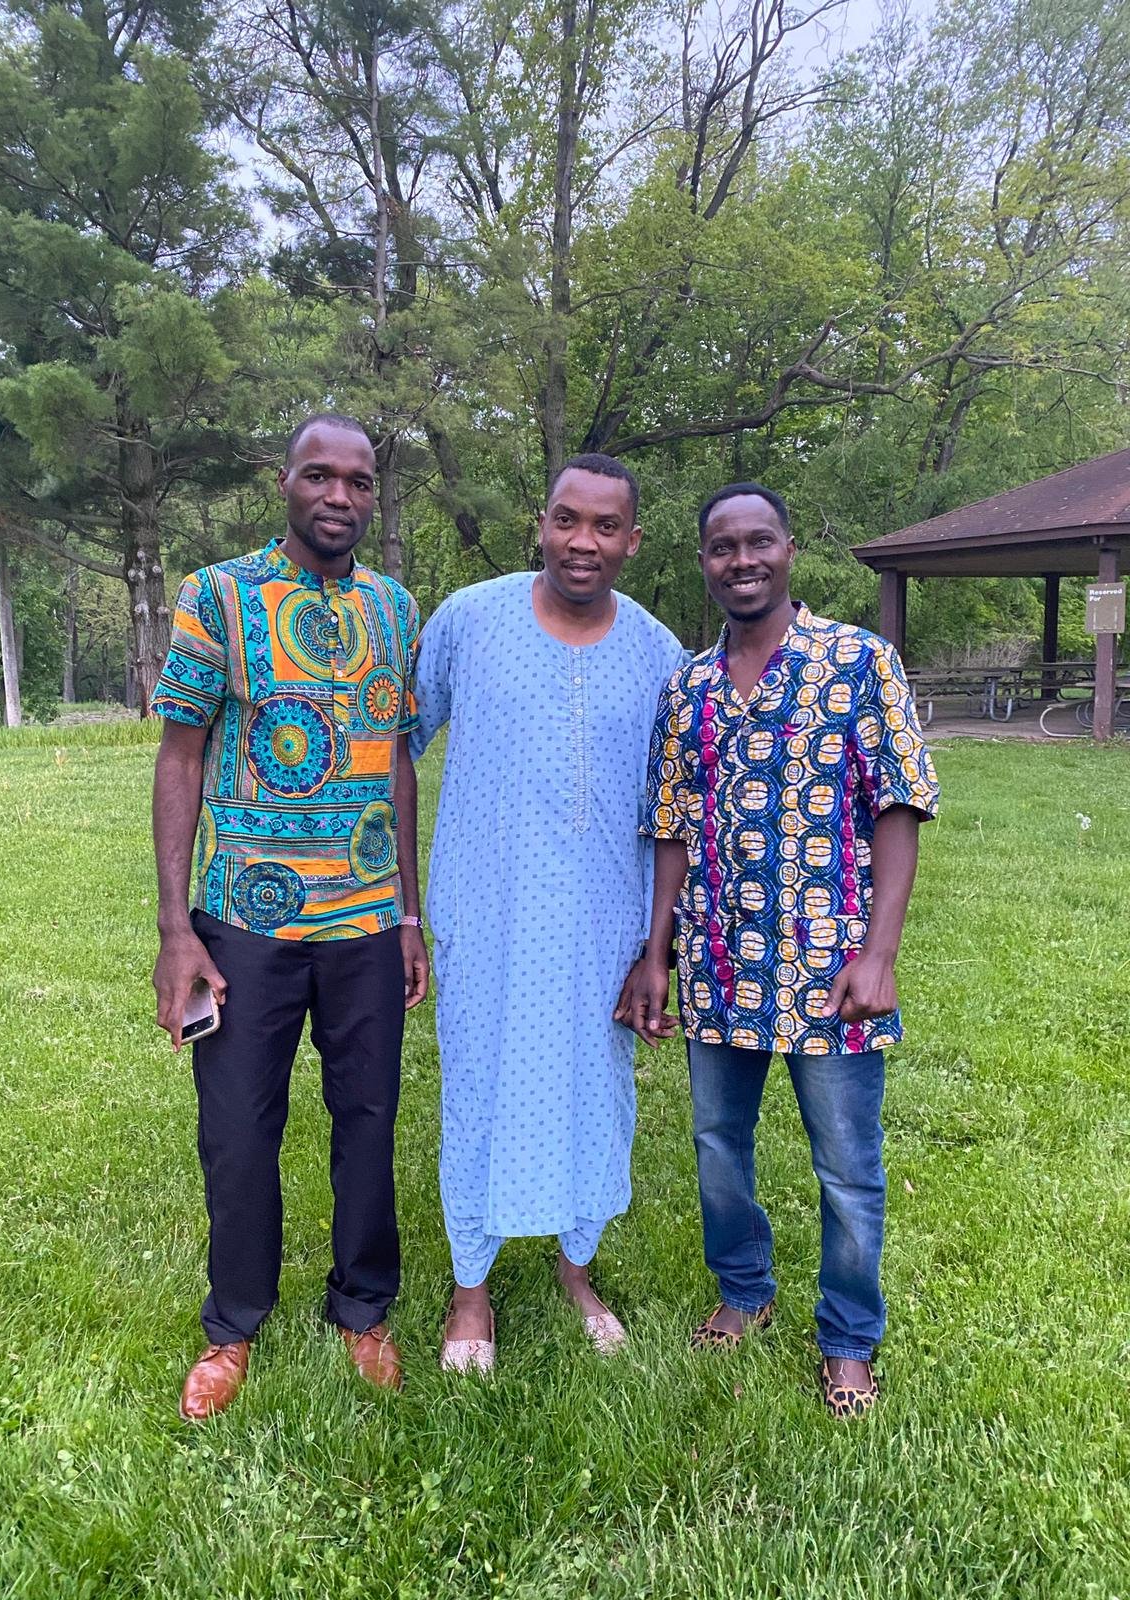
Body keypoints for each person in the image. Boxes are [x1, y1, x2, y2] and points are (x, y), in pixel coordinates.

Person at [617, 482, 939, 1418]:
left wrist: (880, 953)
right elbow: (671, 828)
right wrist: (656, 953)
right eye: (723, 547)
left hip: (830, 966)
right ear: (704, 562)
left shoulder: (858, 661)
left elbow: (898, 805)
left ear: (790, 550)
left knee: (846, 1165)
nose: (742, 560)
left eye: (759, 542)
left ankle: (849, 1338)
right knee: (719, 1144)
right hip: (720, 962)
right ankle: (744, 1291)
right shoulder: (687, 687)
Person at [150, 413, 429, 1420]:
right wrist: (177, 929)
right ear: (285, 481)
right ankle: (233, 1324)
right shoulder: (218, 595)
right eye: (319, 475)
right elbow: (181, 754)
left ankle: (362, 1308)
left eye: (358, 480)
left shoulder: (395, 607)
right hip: (244, 919)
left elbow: (398, 761)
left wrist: (407, 913)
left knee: (368, 1119)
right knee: (236, 1129)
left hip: (365, 920)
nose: (339, 495)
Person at [411, 454, 685, 1371]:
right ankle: (470, 1290)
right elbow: (397, 742)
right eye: (568, 520)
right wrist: (401, 906)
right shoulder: (468, 621)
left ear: (633, 541)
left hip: (603, 926)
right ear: (542, 522)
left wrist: (658, 946)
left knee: (593, 1096)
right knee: (477, 1089)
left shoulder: (658, 653)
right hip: (485, 912)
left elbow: (678, 807)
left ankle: (576, 1270)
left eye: (606, 526)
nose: (583, 542)